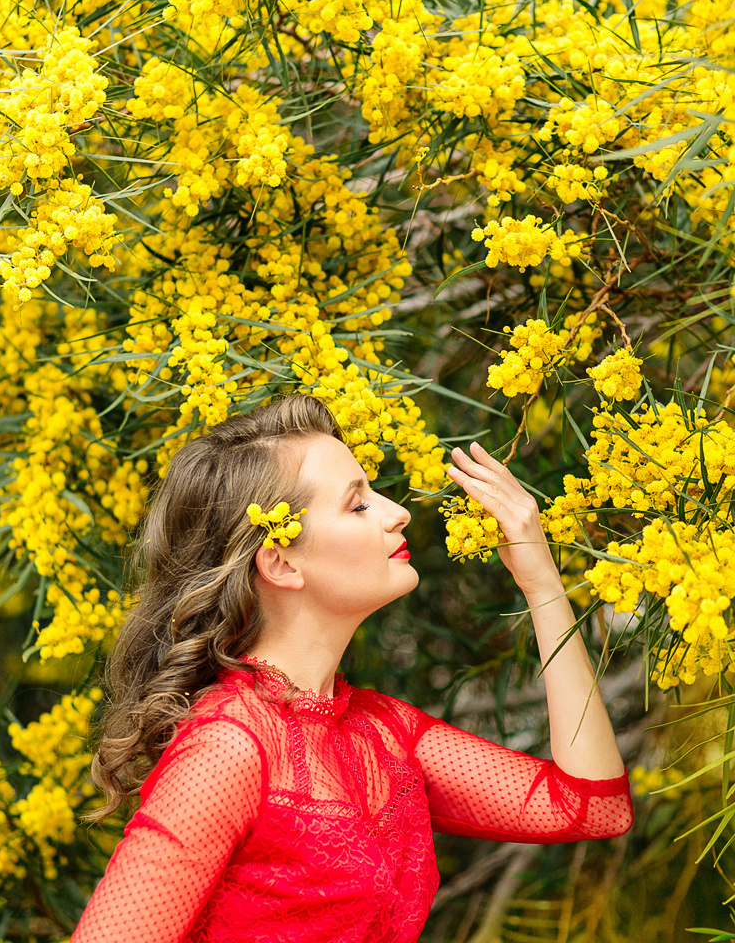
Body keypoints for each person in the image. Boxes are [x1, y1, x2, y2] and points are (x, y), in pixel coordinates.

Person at [72, 394, 632, 943]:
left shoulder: (381, 734)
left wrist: (542, 584)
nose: (397, 512)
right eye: (358, 504)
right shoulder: (228, 749)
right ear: (282, 562)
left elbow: (591, 806)